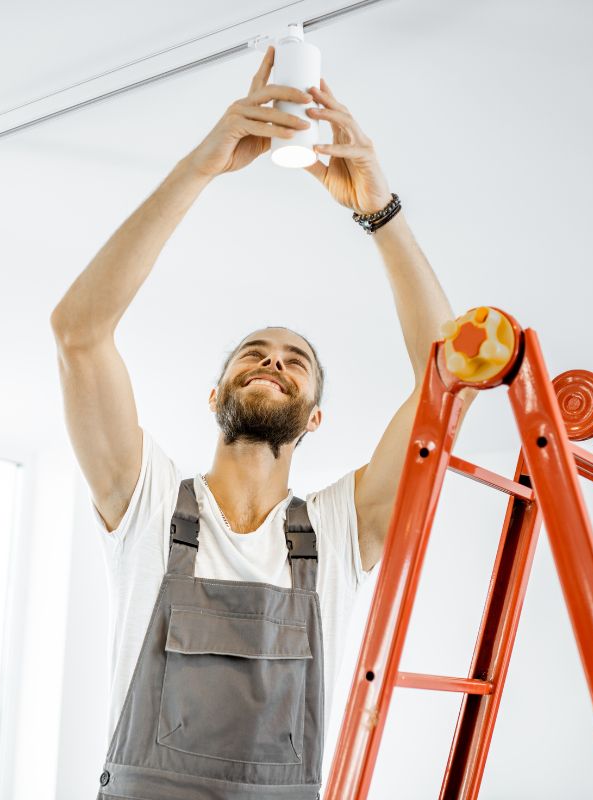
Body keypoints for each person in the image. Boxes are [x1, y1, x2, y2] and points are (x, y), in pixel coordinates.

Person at [50, 44, 473, 800]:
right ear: (216, 397)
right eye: (254, 352)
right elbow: (79, 332)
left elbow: (451, 381)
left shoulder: (340, 531)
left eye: (294, 359)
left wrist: (379, 207)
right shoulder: (146, 504)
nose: (273, 360)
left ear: (314, 418)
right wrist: (203, 165)